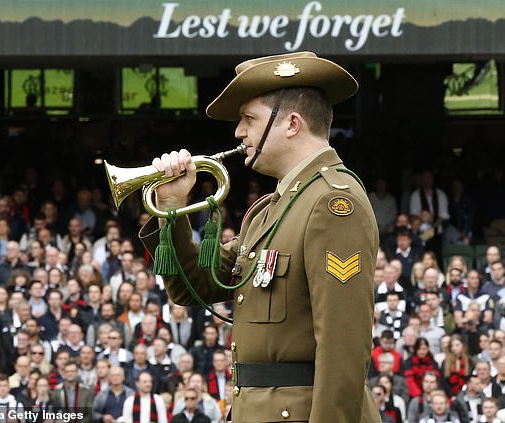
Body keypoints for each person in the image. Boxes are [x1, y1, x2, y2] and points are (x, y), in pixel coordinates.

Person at [140, 51, 379, 423]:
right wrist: (171, 206)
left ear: (292, 123)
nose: (239, 132)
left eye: (249, 119)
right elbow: (194, 286)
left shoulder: (332, 201)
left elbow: (344, 346)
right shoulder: (274, 209)